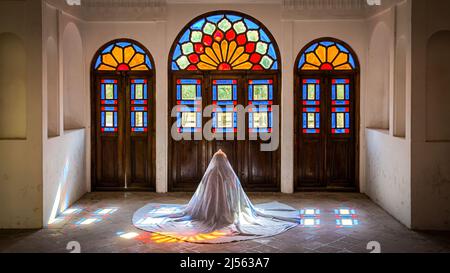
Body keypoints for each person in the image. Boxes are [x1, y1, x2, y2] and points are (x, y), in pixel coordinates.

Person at [133, 150, 300, 243]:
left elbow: (203, 195)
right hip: (230, 211)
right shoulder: (230, 175)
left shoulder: (211, 173)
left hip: (207, 212)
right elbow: (237, 196)